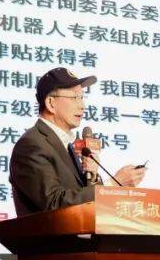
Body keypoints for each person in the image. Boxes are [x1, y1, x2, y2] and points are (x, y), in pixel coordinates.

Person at [9, 67, 146, 216]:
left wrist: (93, 178)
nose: (82, 106)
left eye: (82, 97)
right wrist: (112, 185)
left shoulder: (64, 145)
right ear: (51, 103)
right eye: (75, 97)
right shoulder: (32, 145)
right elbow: (54, 203)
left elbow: (80, 200)